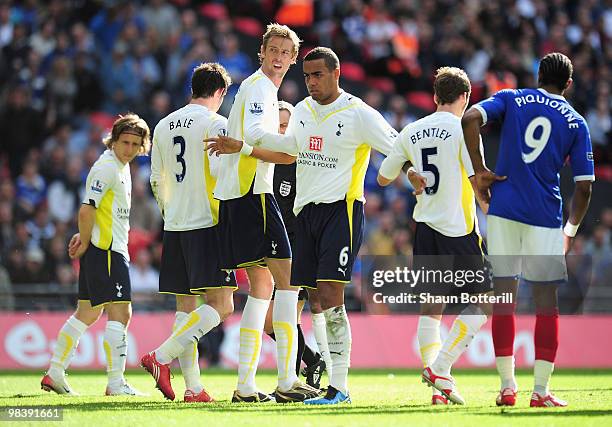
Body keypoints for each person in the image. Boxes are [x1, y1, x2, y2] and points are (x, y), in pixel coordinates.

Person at [207, 46, 398, 405]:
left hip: (342, 209)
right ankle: (291, 376)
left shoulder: (358, 112)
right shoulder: (302, 112)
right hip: (304, 214)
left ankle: (334, 385)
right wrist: (243, 148)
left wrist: (407, 173)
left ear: (336, 74)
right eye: (307, 75)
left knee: (326, 295)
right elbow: (289, 150)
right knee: (308, 297)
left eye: (318, 75)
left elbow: (396, 144)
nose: (310, 82)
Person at [461, 52, 594, 407]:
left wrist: (479, 171)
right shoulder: (576, 122)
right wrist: (570, 229)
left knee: (504, 298)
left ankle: (507, 387)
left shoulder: (512, 97)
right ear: (568, 83)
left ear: (538, 76)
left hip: (503, 210)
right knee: (545, 305)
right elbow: (584, 187)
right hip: (545, 216)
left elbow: (471, 116)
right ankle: (540, 391)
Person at [212, 23, 319, 403]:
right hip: (253, 193)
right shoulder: (259, 89)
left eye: (285, 52)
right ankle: (288, 379)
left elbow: (253, 144)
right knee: (290, 281)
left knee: (262, 289)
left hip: (239, 195)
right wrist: (293, 143)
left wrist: (267, 149)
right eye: (272, 49)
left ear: (292, 59)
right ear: (262, 52)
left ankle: (245, 386)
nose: (277, 57)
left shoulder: (262, 91)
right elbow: (257, 137)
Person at [377, 67, 492, 405]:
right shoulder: (463, 129)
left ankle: (438, 386)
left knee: (433, 307)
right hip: (458, 228)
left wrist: (410, 172)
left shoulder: (411, 130)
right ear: (466, 98)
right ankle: (441, 367)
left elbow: (384, 177)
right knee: (487, 300)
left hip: (425, 228)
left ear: (435, 97)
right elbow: (477, 181)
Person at [139, 62, 237, 402]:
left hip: (175, 224)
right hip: (207, 222)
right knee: (222, 305)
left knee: (186, 308)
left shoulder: (163, 125)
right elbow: (223, 174)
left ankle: (193, 388)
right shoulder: (217, 123)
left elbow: (155, 179)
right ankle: (160, 357)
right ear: (221, 92)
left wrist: (170, 211)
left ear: (192, 88)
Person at [41, 113, 151, 396]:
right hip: (107, 250)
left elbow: (95, 211)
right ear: (113, 140)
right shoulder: (107, 168)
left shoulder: (120, 166)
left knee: (87, 313)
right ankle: (116, 383)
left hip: (105, 248)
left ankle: (54, 372)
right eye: (124, 142)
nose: (129, 148)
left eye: (134, 144)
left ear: (142, 146)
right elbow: (86, 209)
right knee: (121, 312)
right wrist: (88, 241)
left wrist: (84, 235)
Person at [263, 101, 330, 391]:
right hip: (272, 249)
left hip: (295, 250)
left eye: (285, 125)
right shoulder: (263, 161)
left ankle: (292, 376)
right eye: (276, 125)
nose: (281, 130)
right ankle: (311, 359)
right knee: (279, 321)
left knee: (281, 319)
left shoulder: (299, 163)